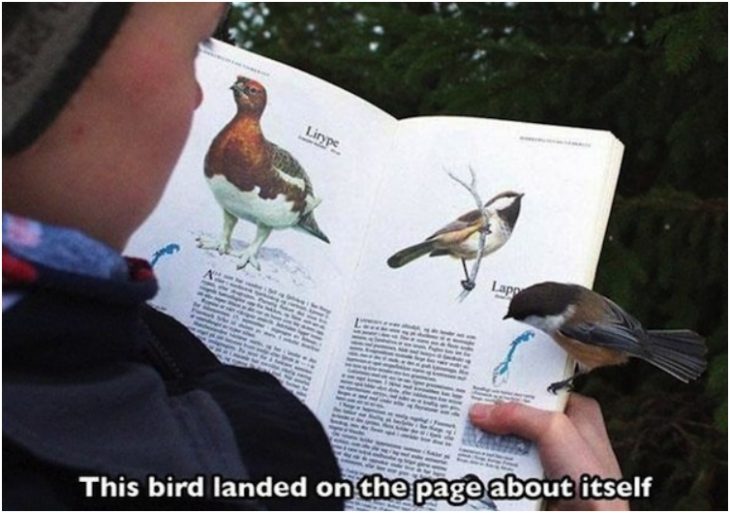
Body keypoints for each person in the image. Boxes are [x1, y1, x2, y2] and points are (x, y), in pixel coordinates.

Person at [2, 3, 626, 510]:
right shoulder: (214, 464)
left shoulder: (92, 361)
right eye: (195, 51)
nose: (200, 98)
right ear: (37, 73)